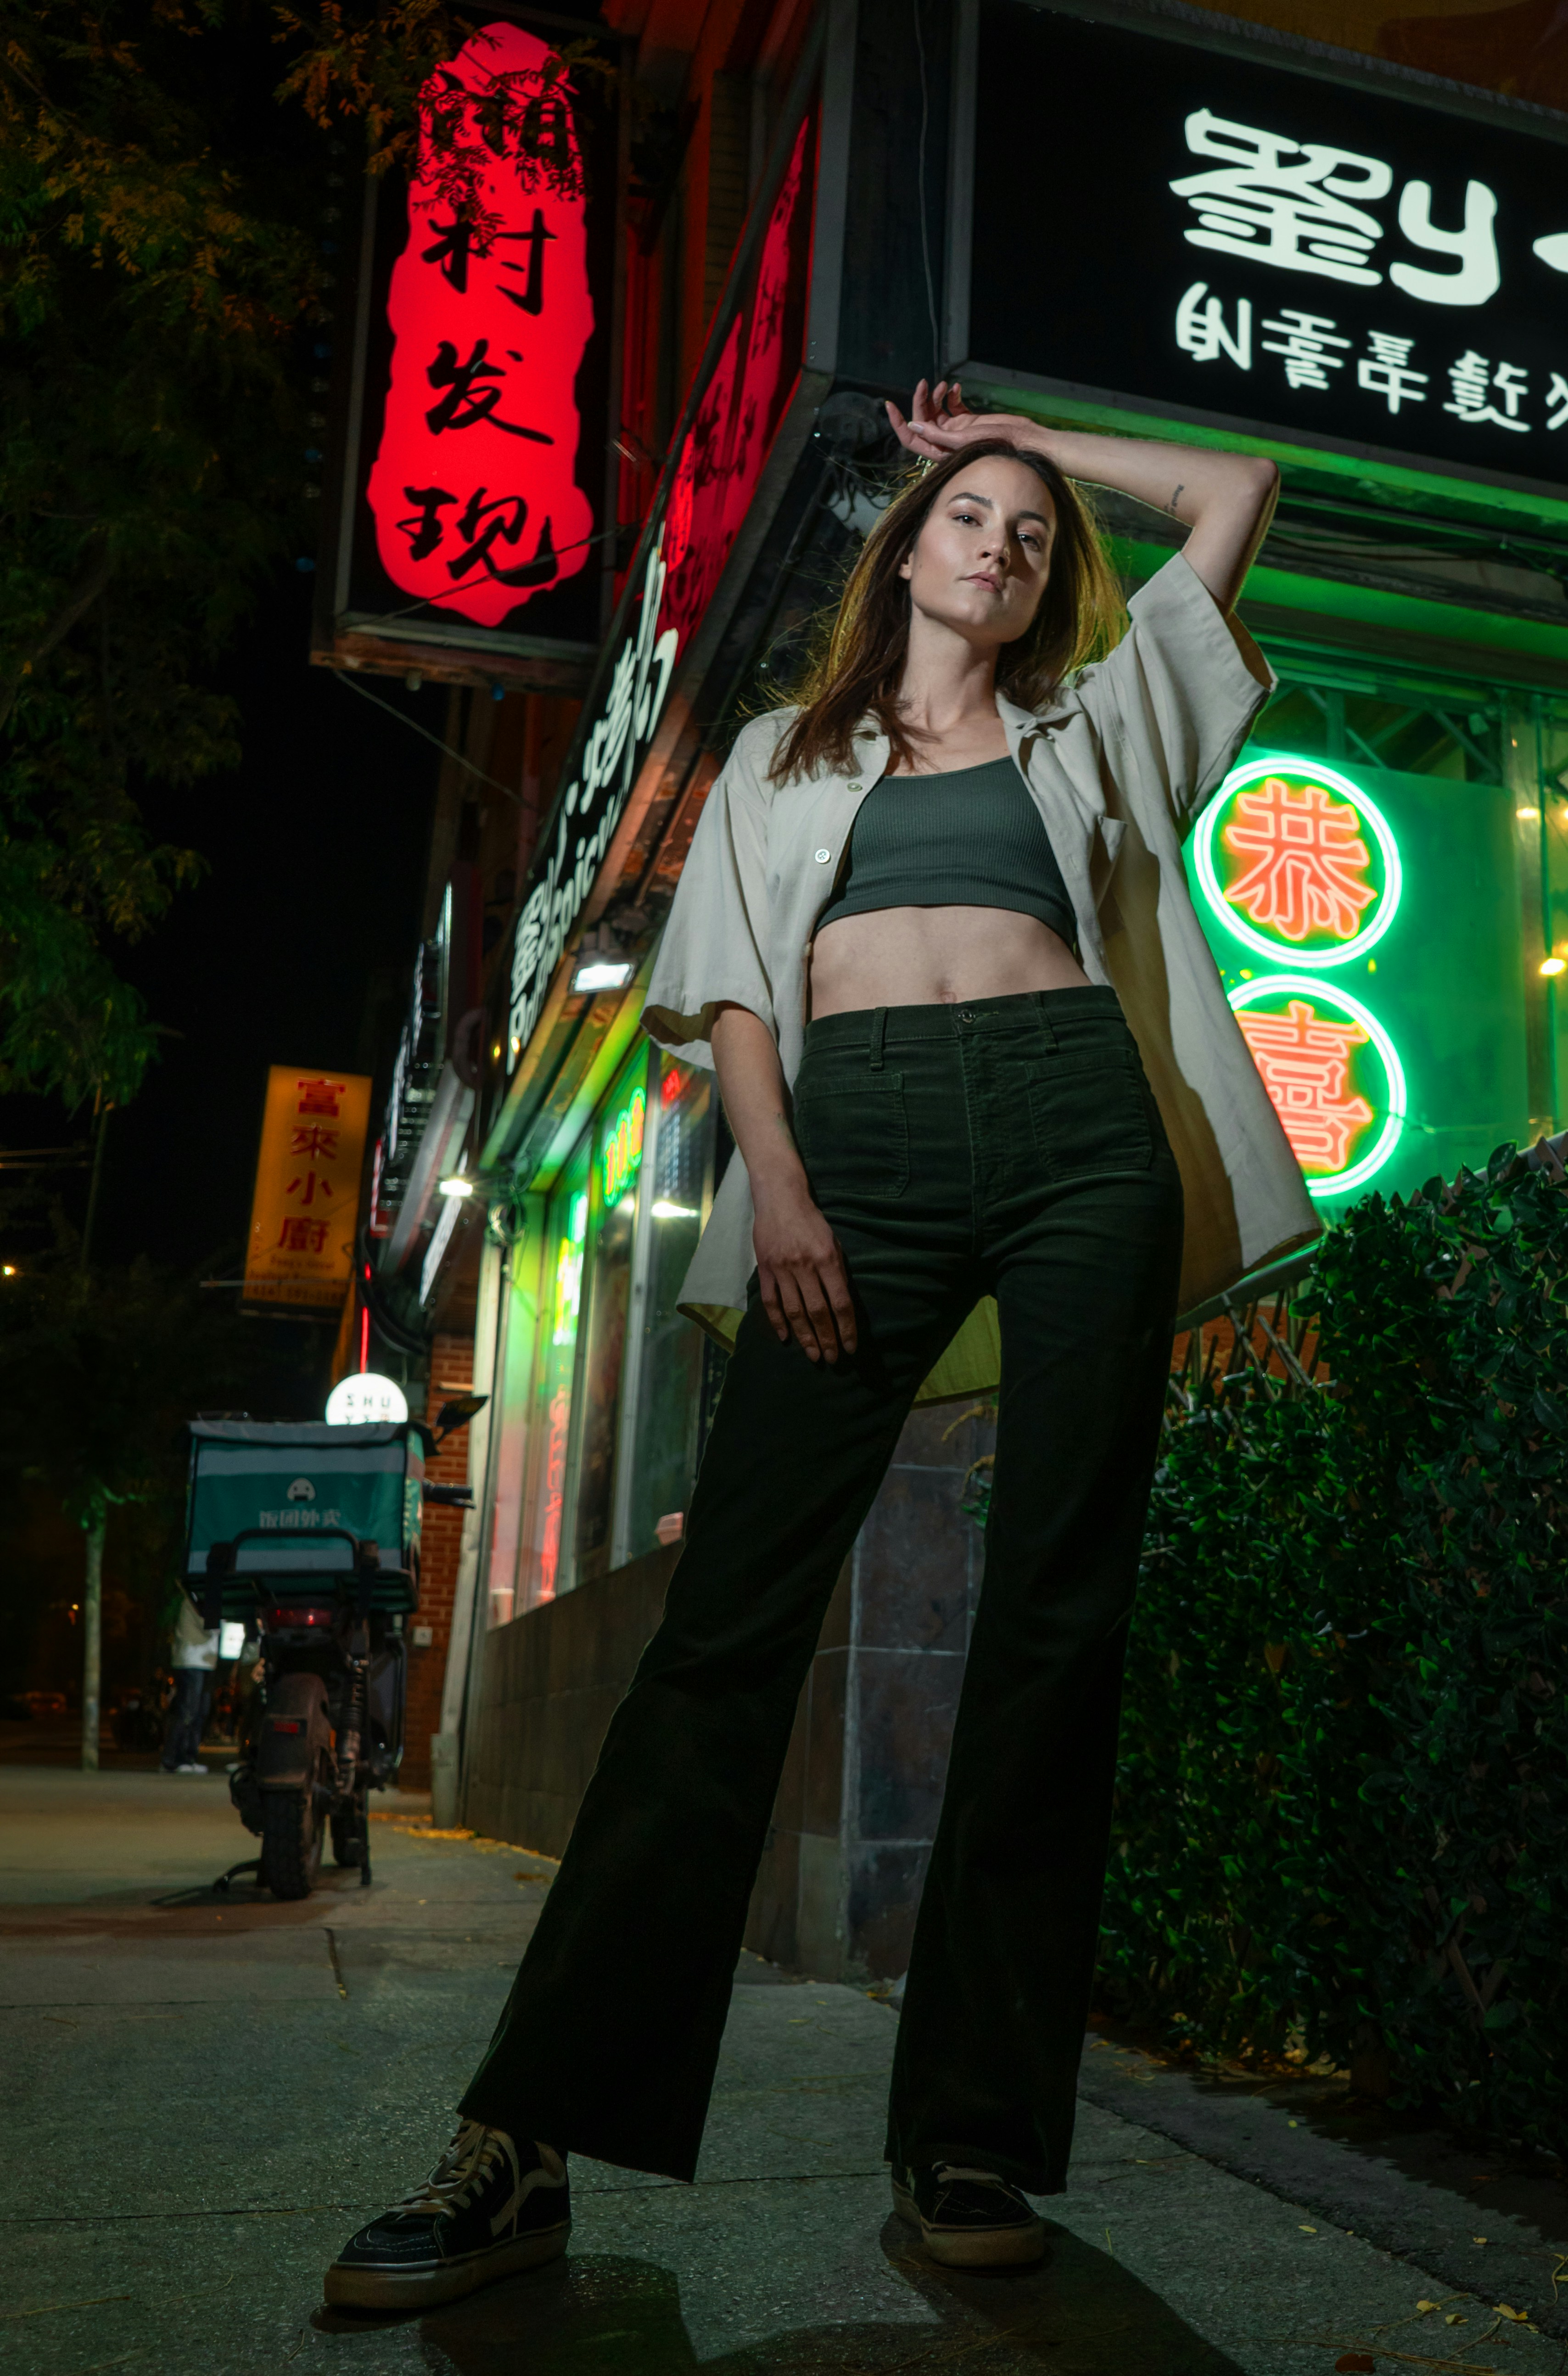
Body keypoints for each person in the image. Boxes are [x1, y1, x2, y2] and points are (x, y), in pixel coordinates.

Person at [323, 384, 1319, 2313]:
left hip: (1071, 1131)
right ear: (907, 546)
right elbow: (735, 1003)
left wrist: (1034, 436)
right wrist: (777, 1190)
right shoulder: (786, 754)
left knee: (1054, 1620)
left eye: (1031, 533)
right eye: (971, 516)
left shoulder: (1096, 721)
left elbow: (1236, 484)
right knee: (724, 1640)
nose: (1004, 546)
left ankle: (968, 2131)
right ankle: (521, 2140)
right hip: (845, 1140)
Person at [159, 1591, 218, 1775]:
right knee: (188, 1711)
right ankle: (172, 1760)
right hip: (192, 1661)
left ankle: (189, 1758)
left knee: (200, 1712)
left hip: (206, 1662)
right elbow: (210, 1627)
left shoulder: (204, 1599)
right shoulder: (193, 1600)